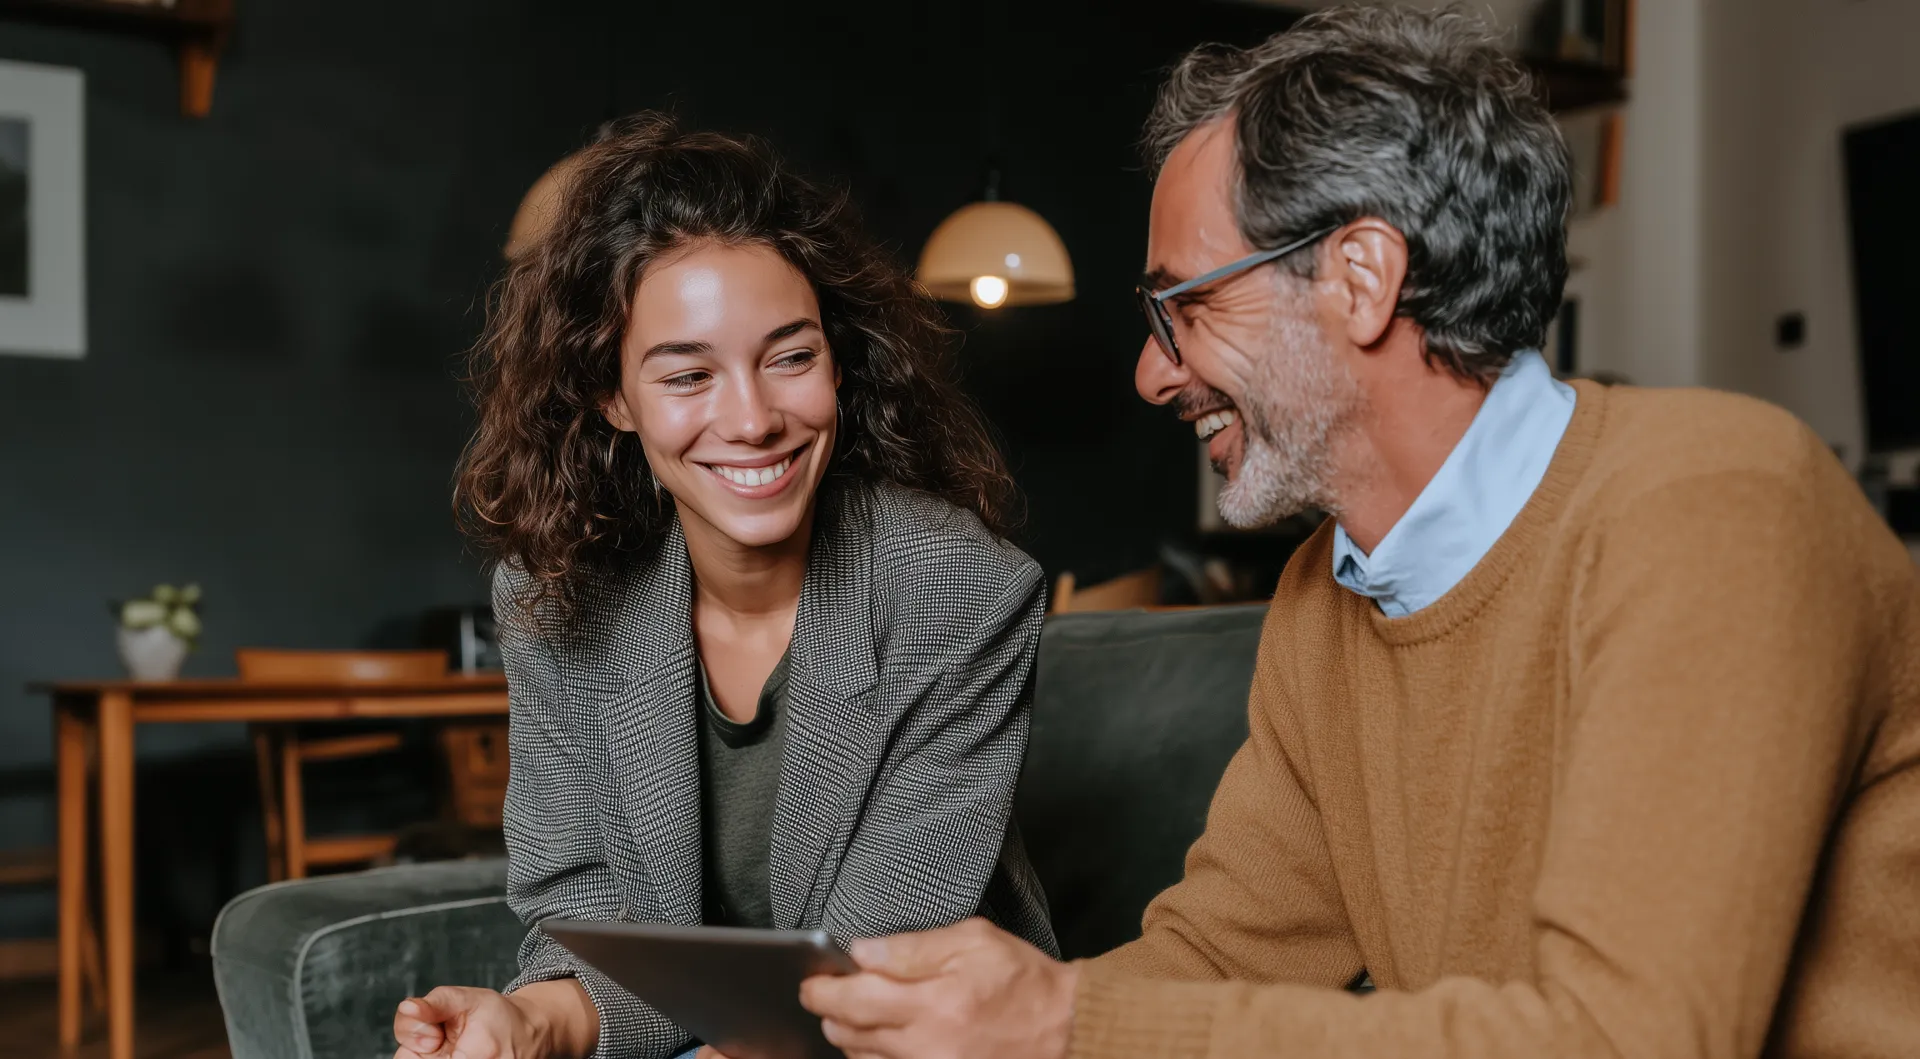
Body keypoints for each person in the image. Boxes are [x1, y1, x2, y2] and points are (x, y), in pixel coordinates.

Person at [798, 8, 1920, 1059]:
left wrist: (1066, 1024)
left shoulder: (1714, 505)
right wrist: (927, 1022)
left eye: (1183, 306)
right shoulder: (1326, 595)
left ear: (1362, 278)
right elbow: (1212, 959)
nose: (1152, 372)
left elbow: (1621, 1038)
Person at [392, 114, 1057, 1059]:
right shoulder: (556, 603)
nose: (752, 419)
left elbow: (873, 962)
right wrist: (531, 1023)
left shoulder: (960, 591)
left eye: (791, 356)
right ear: (612, 397)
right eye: (688, 375)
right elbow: (589, 915)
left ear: (840, 358)